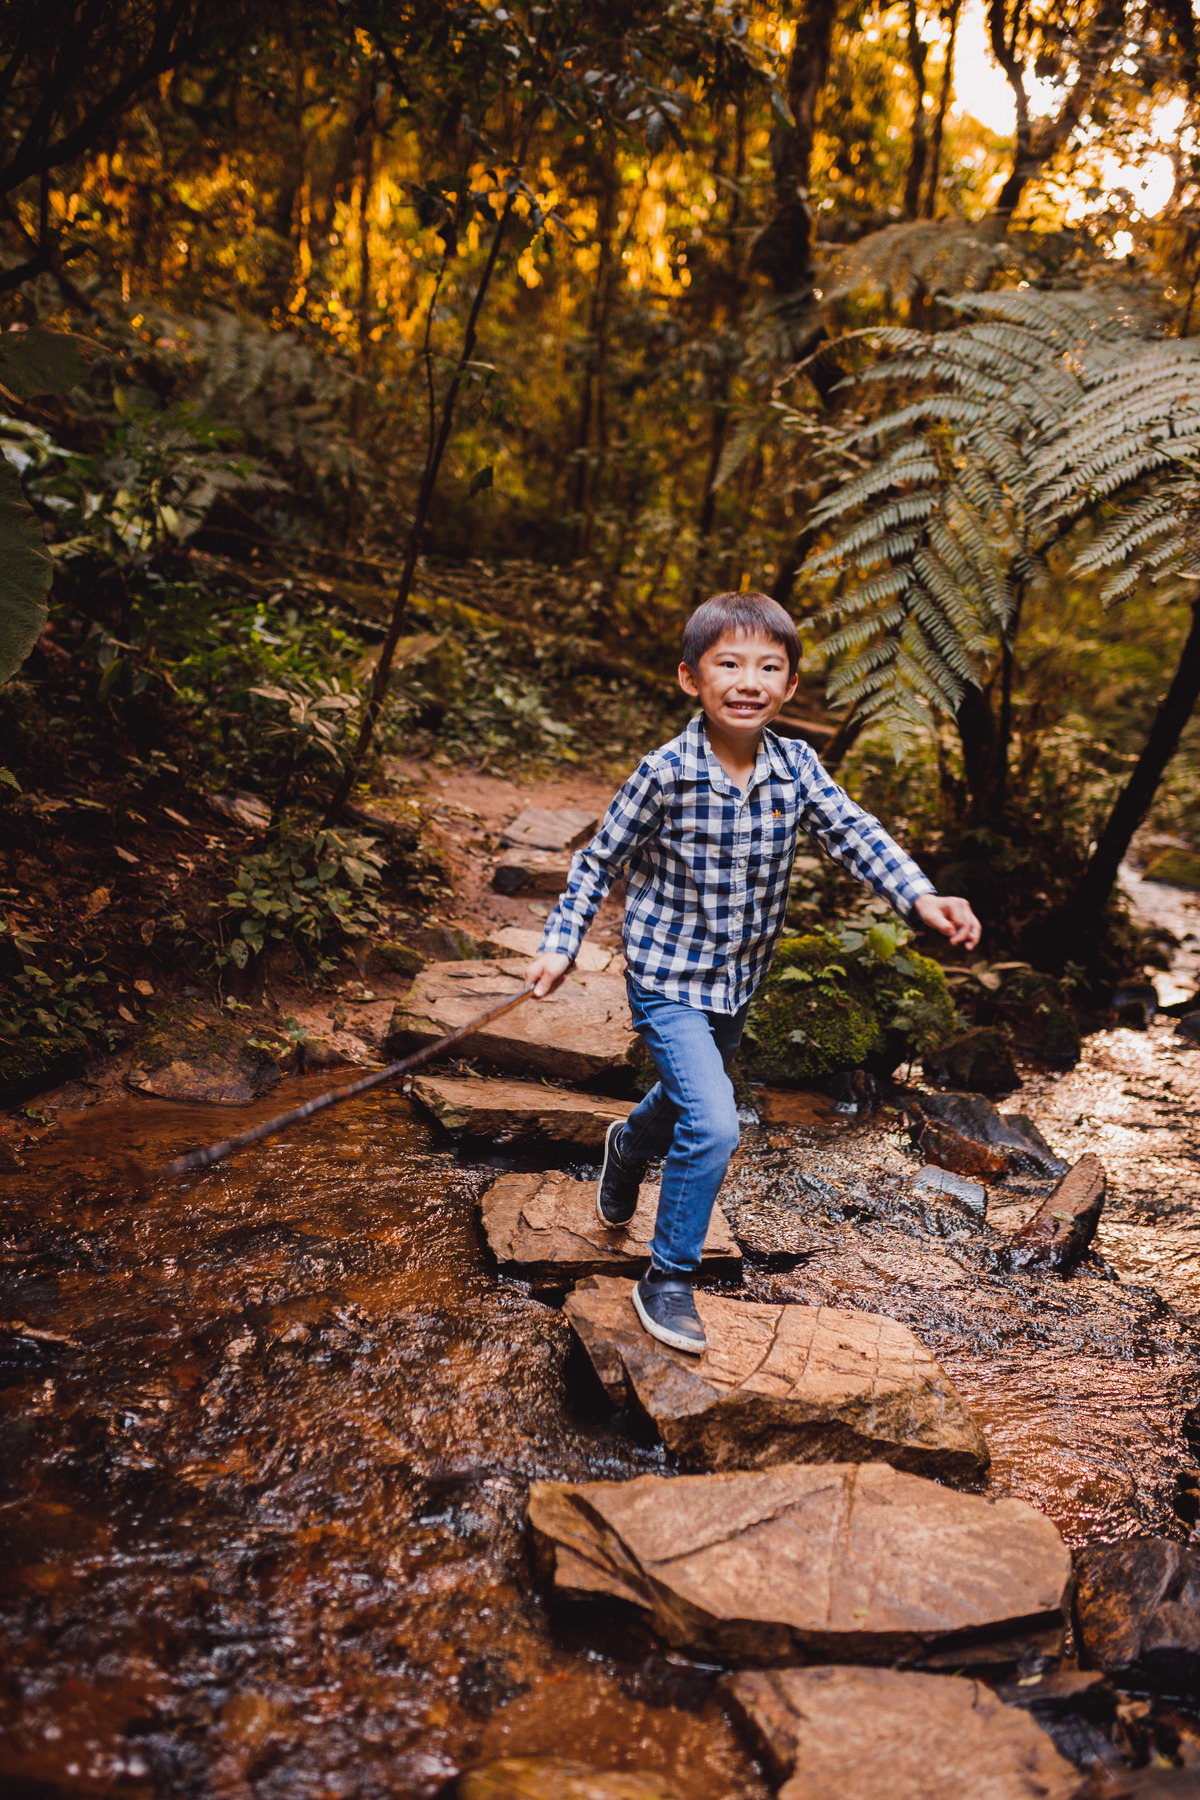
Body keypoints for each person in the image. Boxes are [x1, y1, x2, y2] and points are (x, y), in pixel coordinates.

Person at [524, 592, 981, 1355]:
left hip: (737, 981)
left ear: (791, 687)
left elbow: (855, 834)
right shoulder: (664, 774)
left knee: (680, 1098)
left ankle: (628, 1148)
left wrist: (920, 894)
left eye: (769, 666)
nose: (749, 680)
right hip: (667, 976)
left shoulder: (796, 767)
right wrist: (561, 940)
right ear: (690, 679)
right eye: (729, 663)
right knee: (714, 1120)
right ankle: (667, 1278)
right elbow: (598, 860)